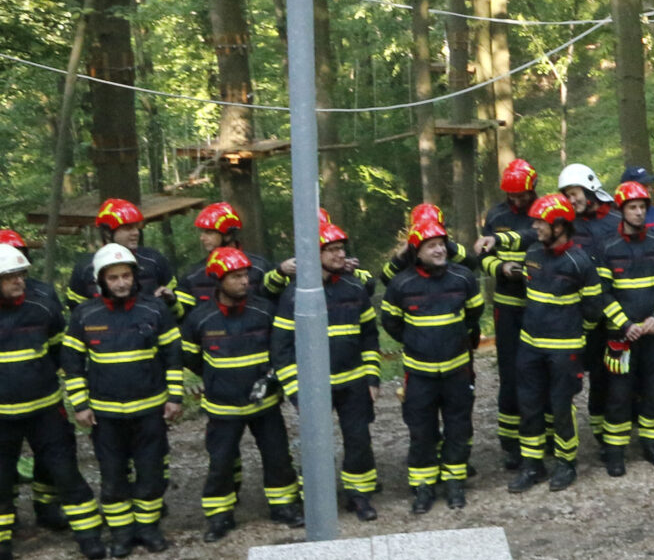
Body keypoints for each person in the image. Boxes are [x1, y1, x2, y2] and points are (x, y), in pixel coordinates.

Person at [64, 244, 184, 556]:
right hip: (105, 416)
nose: (121, 283)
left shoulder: (155, 310)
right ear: (101, 281)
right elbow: (72, 364)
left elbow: (173, 356)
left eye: (126, 276)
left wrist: (174, 397)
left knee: (151, 473)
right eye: (114, 277)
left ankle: (148, 529)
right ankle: (121, 534)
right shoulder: (84, 315)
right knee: (113, 476)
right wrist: (80, 405)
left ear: (135, 277)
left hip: (150, 410)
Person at [180, 246, 298, 540]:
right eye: (235, 277)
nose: (244, 281)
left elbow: (280, 350)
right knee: (220, 462)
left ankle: (284, 506)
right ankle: (219, 516)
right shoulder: (199, 319)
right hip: (223, 408)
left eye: (245, 275)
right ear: (218, 280)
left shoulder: (264, 311)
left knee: (277, 457)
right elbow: (191, 357)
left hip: (264, 404)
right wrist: (217, 378)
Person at [270, 218, 383, 520]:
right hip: (313, 387)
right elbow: (281, 348)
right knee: (315, 445)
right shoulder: (294, 294)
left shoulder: (355, 288)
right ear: (314, 254)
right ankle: (317, 499)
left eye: (341, 249)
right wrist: (296, 392)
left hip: (354, 383)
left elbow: (370, 336)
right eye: (332, 250)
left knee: (358, 440)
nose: (340, 255)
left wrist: (372, 377)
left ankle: (359, 495)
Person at [499, 192, 606, 490]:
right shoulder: (532, 254)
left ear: (559, 226)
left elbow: (593, 309)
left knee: (561, 407)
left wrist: (575, 335)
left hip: (564, 350)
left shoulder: (580, 262)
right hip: (530, 346)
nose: (535, 227)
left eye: (540, 223)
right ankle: (533, 465)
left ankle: (565, 462)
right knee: (529, 406)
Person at [380, 208, 483, 512]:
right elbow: (391, 322)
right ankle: (423, 486)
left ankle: (454, 483)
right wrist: (417, 341)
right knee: (421, 430)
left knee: (458, 427)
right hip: (419, 374)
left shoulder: (462, 278)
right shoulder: (401, 284)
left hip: (457, 370)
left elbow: (474, 313)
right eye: (431, 245)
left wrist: (454, 337)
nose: (439, 250)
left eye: (441, 244)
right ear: (417, 251)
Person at [0, 242, 93, 560]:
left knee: (65, 472)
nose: (19, 281)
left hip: (46, 411)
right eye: (10, 276)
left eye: (21, 275)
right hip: (2, 418)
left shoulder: (43, 308)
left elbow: (59, 353)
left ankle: (89, 537)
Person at [593, 181, 654, 473]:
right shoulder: (607, 247)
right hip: (621, 337)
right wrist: (624, 324)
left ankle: (652, 444)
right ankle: (615, 451)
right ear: (622, 210)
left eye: (642, 207)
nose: (639, 213)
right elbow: (602, 292)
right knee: (618, 393)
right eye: (632, 207)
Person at [475, 158, 542, 464]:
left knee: (542, 370)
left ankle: (545, 434)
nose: (516, 201)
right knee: (510, 372)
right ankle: (510, 440)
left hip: (541, 304)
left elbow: (538, 237)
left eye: (521, 195)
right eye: (511, 196)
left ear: (533, 188)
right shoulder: (496, 215)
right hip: (508, 305)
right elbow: (483, 256)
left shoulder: (544, 211)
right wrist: (500, 268)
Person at [68, 199, 176, 306]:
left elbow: (177, 308)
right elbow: (76, 310)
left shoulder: (153, 259)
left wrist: (171, 301)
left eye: (136, 227)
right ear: (107, 232)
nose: (136, 232)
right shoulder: (85, 268)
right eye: (128, 228)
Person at [173, 201, 270, 315]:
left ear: (227, 235)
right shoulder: (193, 276)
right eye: (202, 232)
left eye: (209, 232)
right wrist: (170, 301)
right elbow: (181, 315)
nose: (202, 238)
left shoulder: (259, 268)